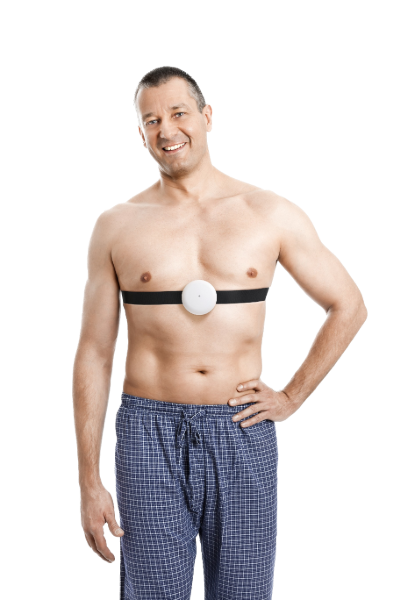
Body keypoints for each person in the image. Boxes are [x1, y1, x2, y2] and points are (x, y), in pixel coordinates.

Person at [72, 65, 368, 599]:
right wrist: (88, 481)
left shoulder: (269, 212)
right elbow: (93, 352)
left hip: (241, 424)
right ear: (140, 132)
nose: (167, 130)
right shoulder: (116, 225)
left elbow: (348, 306)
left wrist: (292, 397)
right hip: (147, 431)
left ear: (207, 117)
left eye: (178, 113)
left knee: (243, 591)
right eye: (151, 120)